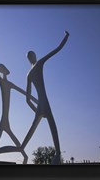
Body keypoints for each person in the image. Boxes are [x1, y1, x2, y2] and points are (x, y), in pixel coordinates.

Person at [0, 35, 38, 164]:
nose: (7, 70)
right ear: (2, 71)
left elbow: (25, 93)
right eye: (4, 68)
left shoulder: (10, 84)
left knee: (13, 143)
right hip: (4, 119)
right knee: (17, 145)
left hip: (5, 119)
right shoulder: (2, 82)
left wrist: (37, 100)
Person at [23, 31, 69, 165]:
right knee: (52, 125)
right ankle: (58, 153)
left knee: (32, 129)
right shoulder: (39, 64)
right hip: (45, 103)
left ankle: (21, 148)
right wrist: (66, 37)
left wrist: (36, 110)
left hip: (39, 106)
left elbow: (27, 99)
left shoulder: (28, 75)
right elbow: (56, 49)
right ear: (34, 57)